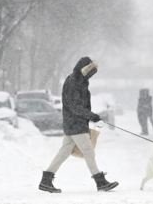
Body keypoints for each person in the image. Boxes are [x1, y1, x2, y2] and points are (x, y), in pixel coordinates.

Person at [39, 57, 119, 193]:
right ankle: (100, 182)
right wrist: (92, 116)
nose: (90, 76)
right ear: (84, 69)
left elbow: (78, 105)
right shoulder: (73, 82)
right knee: (88, 151)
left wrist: (91, 117)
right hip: (75, 122)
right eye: (89, 72)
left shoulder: (80, 81)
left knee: (64, 152)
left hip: (74, 122)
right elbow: (75, 106)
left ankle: (46, 180)